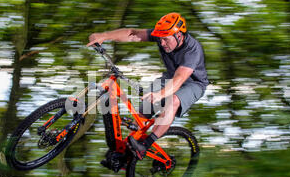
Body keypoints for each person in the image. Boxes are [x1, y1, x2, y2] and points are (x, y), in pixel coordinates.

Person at [87, 12, 209, 160]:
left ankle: (145, 145)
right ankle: (126, 153)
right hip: (170, 78)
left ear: (179, 35)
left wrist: (160, 94)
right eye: (160, 39)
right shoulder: (162, 36)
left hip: (192, 83)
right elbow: (132, 34)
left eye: (165, 40)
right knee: (142, 113)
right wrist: (104, 36)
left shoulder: (192, 50)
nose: (162, 43)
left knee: (174, 100)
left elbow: (180, 78)